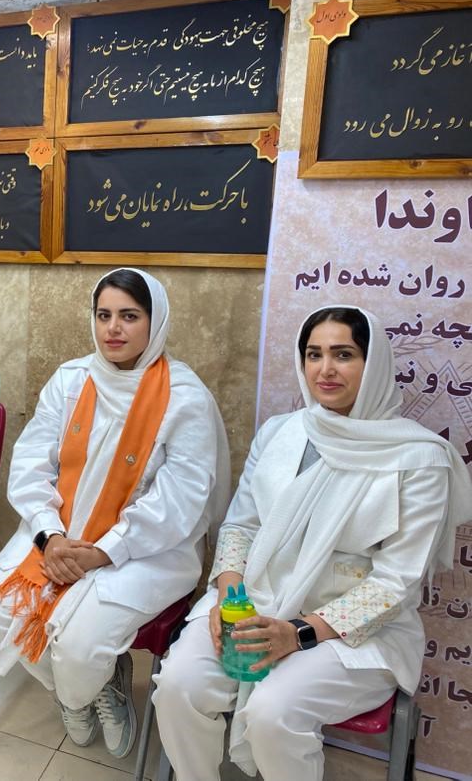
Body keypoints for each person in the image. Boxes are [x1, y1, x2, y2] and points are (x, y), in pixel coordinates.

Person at [152, 306, 472, 781]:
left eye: (343, 354)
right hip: (256, 601)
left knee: (273, 713)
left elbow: (395, 583)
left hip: (356, 632)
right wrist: (228, 599)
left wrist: (297, 633)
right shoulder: (280, 432)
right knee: (178, 686)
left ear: (373, 364)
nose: (325, 369)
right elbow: (241, 525)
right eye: (313, 354)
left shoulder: (418, 460)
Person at [0, 268, 230, 757]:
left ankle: (86, 685)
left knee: (79, 644)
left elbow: (180, 500)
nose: (113, 328)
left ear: (155, 322)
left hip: (149, 548)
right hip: (60, 532)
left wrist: (105, 551)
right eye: (104, 314)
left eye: (129, 316)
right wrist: (49, 536)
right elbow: (30, 463)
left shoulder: (185, 398)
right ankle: (87, 689)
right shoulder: (72, 379)